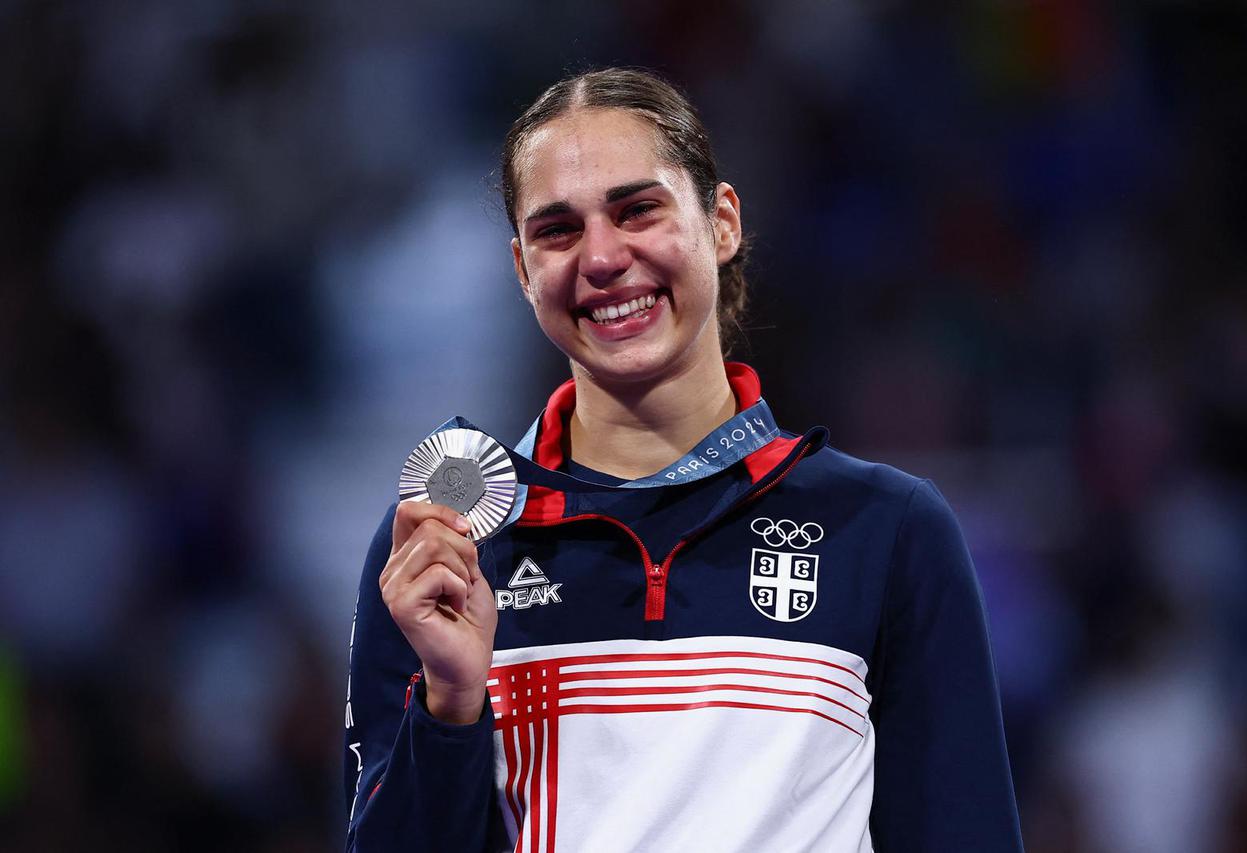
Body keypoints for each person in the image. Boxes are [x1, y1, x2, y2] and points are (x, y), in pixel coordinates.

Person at [343, 67, 1023, 852]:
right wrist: (453, 701)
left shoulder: (883, 530)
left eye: (638, 210)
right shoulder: (447, 551)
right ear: (524, 271)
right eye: (558, 230)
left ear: (722, 221)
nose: (602, 257)